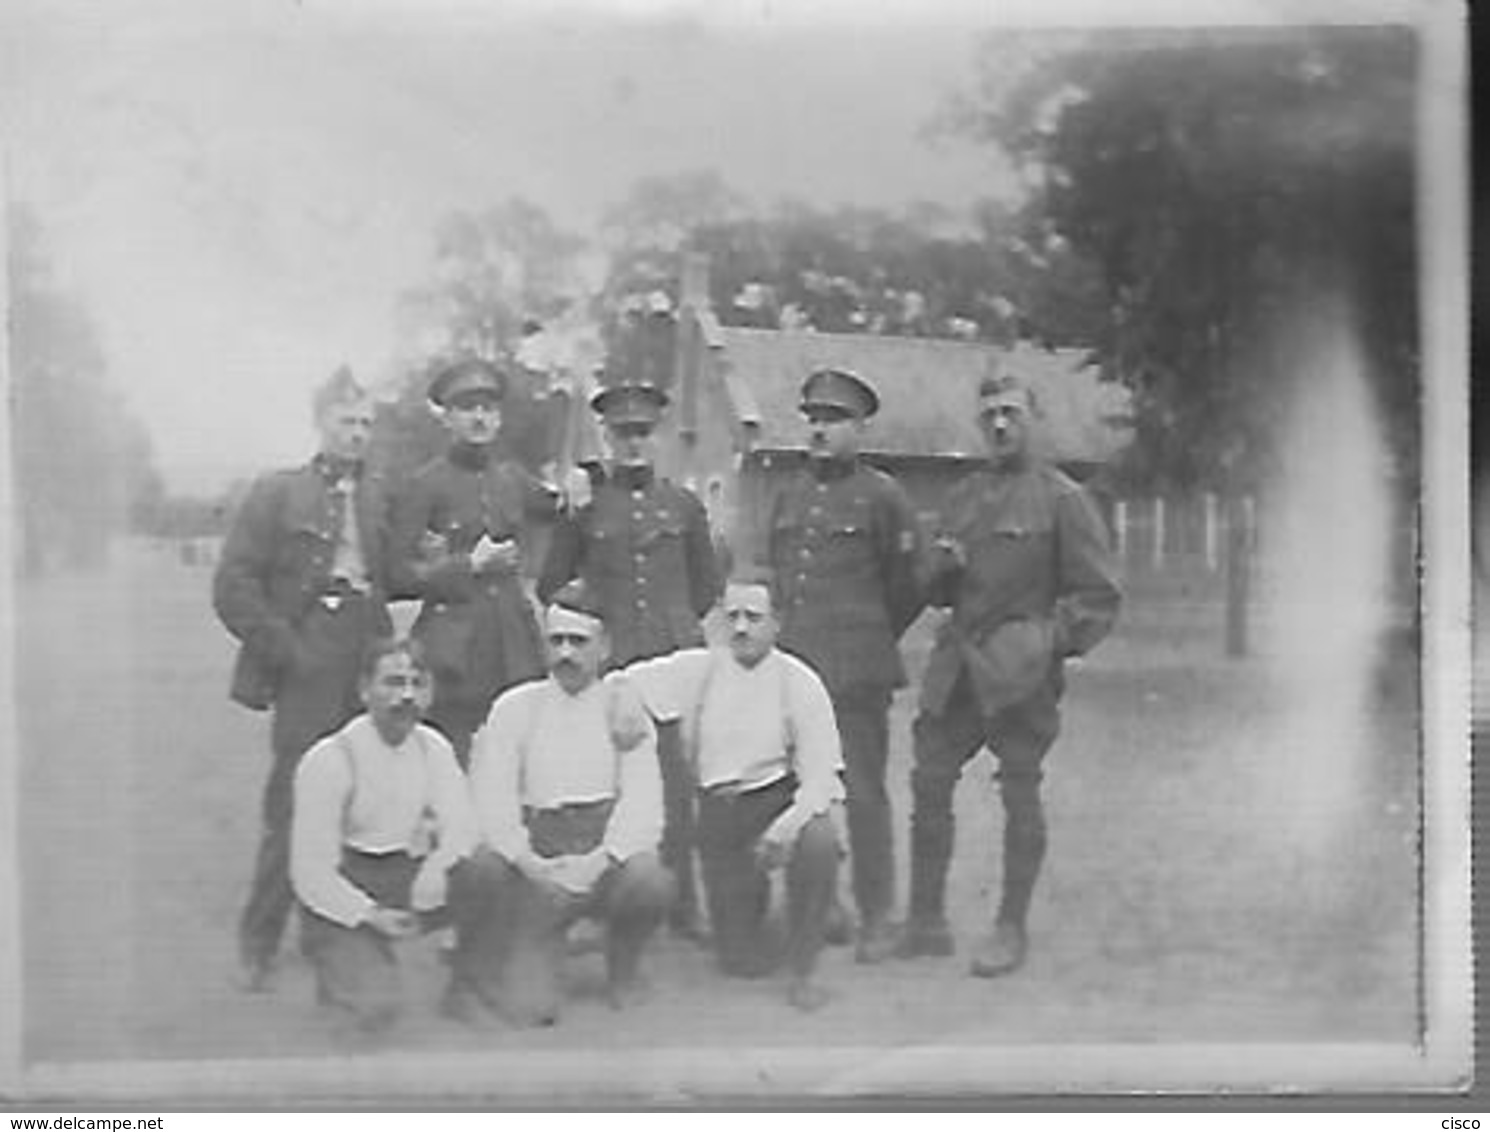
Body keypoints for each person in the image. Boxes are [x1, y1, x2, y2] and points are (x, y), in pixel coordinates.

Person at [898, 371, 1121, 976]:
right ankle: (925, 921)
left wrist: (1045, 643)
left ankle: (1009, 929)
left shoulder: (1063, 499)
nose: (999, 425)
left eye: (1011, 414)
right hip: (958, 668)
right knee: (928, 781)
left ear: (1033, 420)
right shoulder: (963, 497)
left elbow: (1098, 596)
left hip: (1020, 675)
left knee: (1019, 789)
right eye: (989, 414)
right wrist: (941, 569)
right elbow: (936, 590)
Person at [213, 365, 393, 991]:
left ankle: (343, 940)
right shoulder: (278, 493)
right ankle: (259, 943)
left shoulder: (380, 496)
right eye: (347, 421)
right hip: (306, 655)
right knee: (293, 803)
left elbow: (402, 576)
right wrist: (285, 649)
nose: (358, 434)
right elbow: (232, 584)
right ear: (320, 424)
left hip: (367, 660)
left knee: (368, 802)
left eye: (368, 423)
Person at [538, 380, 722, 941]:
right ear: (607, 436)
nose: (634, 443)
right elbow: (552, 584)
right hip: (611, 668)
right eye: (623, 433)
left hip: (670, 662)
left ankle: (684, 903)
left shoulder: (683, 506)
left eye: (643, 432)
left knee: (678, 788)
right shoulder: (586, 508)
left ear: (659, 435)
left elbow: (706, 586)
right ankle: (605, 903)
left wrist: (672, 630)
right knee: (606, 783)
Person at [624, 574, 844, 1012]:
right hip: (721, 819)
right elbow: (626, 681)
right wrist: (624, 703)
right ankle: (787, 919)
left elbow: (822, 778)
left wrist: (786, 827)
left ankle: (806, 963)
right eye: (733, 617)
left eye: (754, 617)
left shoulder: (798, 681)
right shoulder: (700, 668)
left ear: (777, 622)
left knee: (819, 839)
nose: (741, 628)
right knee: (741, 962)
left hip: (775, 803)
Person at [764, 367, 923, 963]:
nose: (821, 431)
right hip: (797, 670)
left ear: (860, 428)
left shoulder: (884, 496)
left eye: (834, 420)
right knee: (800, 790)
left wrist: (870, 636)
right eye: (814, 420)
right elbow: (780, 580)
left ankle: (879, 913)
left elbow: (907, 586)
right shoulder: (789, 493)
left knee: (862, 793)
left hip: (857, 674)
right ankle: (822, 904)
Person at [466, 582, 673, 1027]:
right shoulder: (515, 707)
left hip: (601, 855)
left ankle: (624, 967)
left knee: (649, 878)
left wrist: (597, 863)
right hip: (538, 857)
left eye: (578, 642)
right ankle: (518, 952)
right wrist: (529, 864)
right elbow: (492, 800)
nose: (565, 653)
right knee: (531, 1010)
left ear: (605, 647)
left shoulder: (625, 710)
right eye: (555, 641)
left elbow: (643, 808)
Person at [290, 638, 505, 1037]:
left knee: (486, 869)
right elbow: (310, 871)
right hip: (345, 890)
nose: (406, 696)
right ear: (364, 689)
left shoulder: (432, 746)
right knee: (377, 1010)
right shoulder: (329, 760)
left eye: (417, 683)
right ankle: (341, 972)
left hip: (407, 875)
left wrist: (438, 869)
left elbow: (463, 825)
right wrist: (368, 914)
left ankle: (466, 987)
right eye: (392, 682)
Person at [389, 357, 568, 767]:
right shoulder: (425, 484)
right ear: (447, 418)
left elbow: (565, 513)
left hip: (514, 643)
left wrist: (581, 484)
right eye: (467, 408)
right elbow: (397, 573)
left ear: (500, 419)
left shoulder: (513, 479)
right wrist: (466, 564)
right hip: (453, 650)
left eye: (488, 409)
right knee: (453, 763)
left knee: (518, 759)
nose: (479, 418)